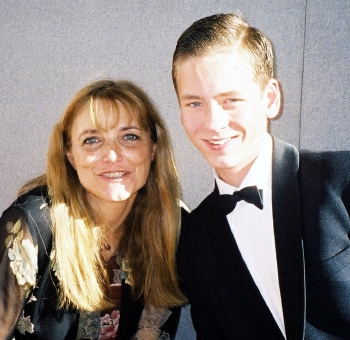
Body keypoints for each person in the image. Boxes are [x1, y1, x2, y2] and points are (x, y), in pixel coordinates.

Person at [172, 13, 350, 340]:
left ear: (270, 98)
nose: (213, 122)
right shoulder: (193, 240)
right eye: (195, 102)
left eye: (231, 100)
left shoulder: (340, 182)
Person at [0, 79, 187, 340]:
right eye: (92, 140)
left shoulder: (174, 225)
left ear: (154, 148)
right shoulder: (31, 225)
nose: (112, 155)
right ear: (70, 155)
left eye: (129, 136)